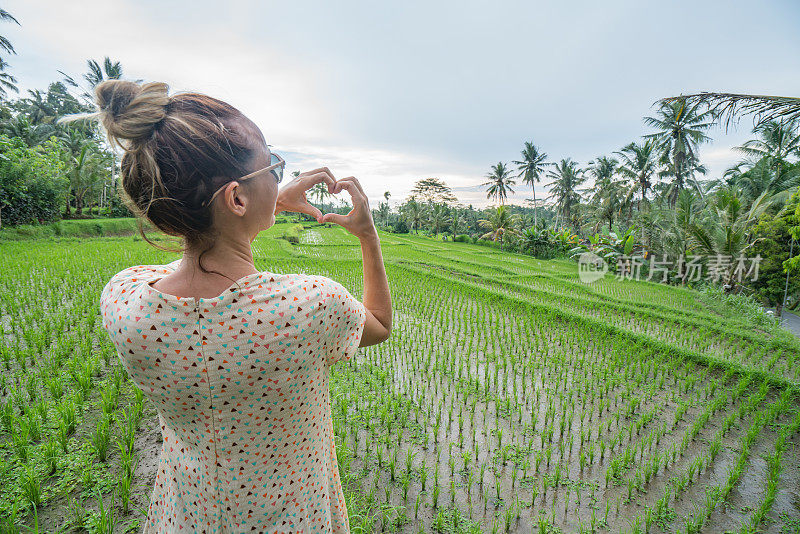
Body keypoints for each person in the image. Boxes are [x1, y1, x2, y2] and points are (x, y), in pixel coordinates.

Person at [73, 80, 392, 533]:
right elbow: (378, 323)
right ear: (236, 198)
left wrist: (265, 200)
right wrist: (367, 235)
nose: (278, 177)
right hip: (294, 520)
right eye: (272, 167)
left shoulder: (125, 301)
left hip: (185, 517)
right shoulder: (310, 305)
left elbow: (206, 251)